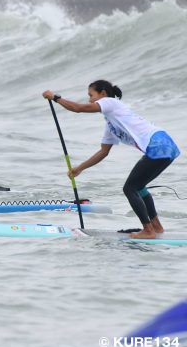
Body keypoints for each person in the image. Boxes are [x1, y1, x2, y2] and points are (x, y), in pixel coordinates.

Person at [43, 80, 180, 239]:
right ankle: (156, 227)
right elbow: (103, 151)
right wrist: (80, 168)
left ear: (103, 93)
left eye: (91, 95)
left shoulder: (111, 102)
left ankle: (148, 231)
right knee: (138, 187)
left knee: (130, 188)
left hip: (159, 144)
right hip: (164, 145)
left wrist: (55, 97)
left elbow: (79, 108)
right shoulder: (111, 124)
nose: (89, 100)